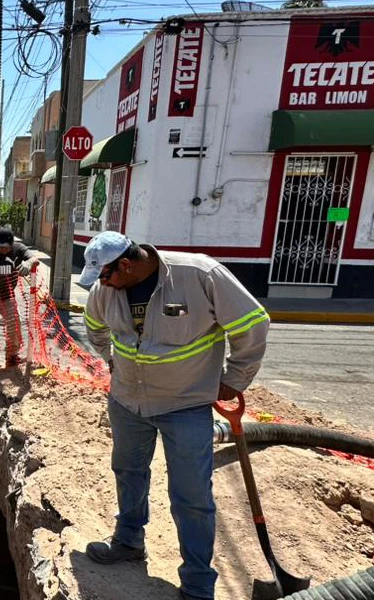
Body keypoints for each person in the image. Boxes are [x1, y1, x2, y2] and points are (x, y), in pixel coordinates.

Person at [80, 231, 270, 600]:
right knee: (129, 473)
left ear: (126, 264)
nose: (101, 285)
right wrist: (112, 362)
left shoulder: (198, 275)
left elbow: (253, 324)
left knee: (191, 496)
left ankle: (198, 586)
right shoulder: (105, 288)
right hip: (127, 402)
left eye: (105, 275)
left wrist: (234, 380)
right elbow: (95, 327)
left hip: (185, 405)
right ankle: (129, 541)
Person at [0, 227, 32, 371]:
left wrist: (28, 263)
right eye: (0, 247)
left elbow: (34, 258)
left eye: (6, 247)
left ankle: (11, 356)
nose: (3, 250)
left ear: (11, 244)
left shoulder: (18, 249)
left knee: (14, 325)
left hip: (7, 298)